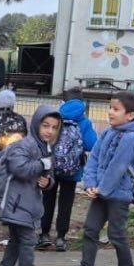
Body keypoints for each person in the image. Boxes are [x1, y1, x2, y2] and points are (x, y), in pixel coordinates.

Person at [62, 91, 134, 266]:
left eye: (116, 109)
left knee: (117, 233)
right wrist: (90, 184)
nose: (110, 112)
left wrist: (101, 189)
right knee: (91, 229)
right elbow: (94, 158)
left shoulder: (132, 138)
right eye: (110, 107)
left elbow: (117, 168)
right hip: (100, 192)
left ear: (130, 115)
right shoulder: (109, 132)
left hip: (119, 195)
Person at [0, 106, 61, 266]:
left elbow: (49, 176)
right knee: (28, 239)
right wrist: (40, 164)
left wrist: (47, 182)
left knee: (16, 239)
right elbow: (19, 168)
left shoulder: (44, 148)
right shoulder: (25, 145)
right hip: (16, 201)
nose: (50, 131)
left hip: (27, 202)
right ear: (37, 124)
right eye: (46, 126)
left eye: (54, 127)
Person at [41, 88, 96, 250]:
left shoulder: (56, 117)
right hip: (72, 170)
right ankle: (60, 237)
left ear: (63, 102)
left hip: (51, 167)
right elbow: (91, 144)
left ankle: (44, 234)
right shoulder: (84, 121)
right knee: (66, 203)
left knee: (47, 199)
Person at [0, 89, 28, 218]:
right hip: (15, 156)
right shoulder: (20, 119)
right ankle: (4, 209)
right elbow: (25, 136)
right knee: (8, 183)